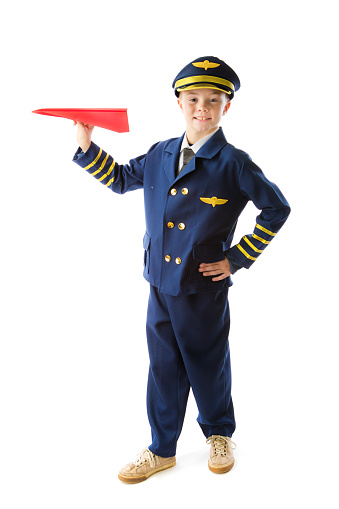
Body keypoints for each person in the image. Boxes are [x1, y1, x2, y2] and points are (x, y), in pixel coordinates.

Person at [72, 56, 291, 483]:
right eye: (193, 98)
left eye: (213, 100)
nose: (202, 108)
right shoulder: (159, 154)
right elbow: (119, 180)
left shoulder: (234, 163)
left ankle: (218, 433)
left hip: (202, 284)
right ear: (178, 101)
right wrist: (87, 145)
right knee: (163, 366)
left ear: (227, 106)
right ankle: (162, 448)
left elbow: (276, 208)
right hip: (158, 281)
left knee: (207, 362)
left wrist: (239, 257)